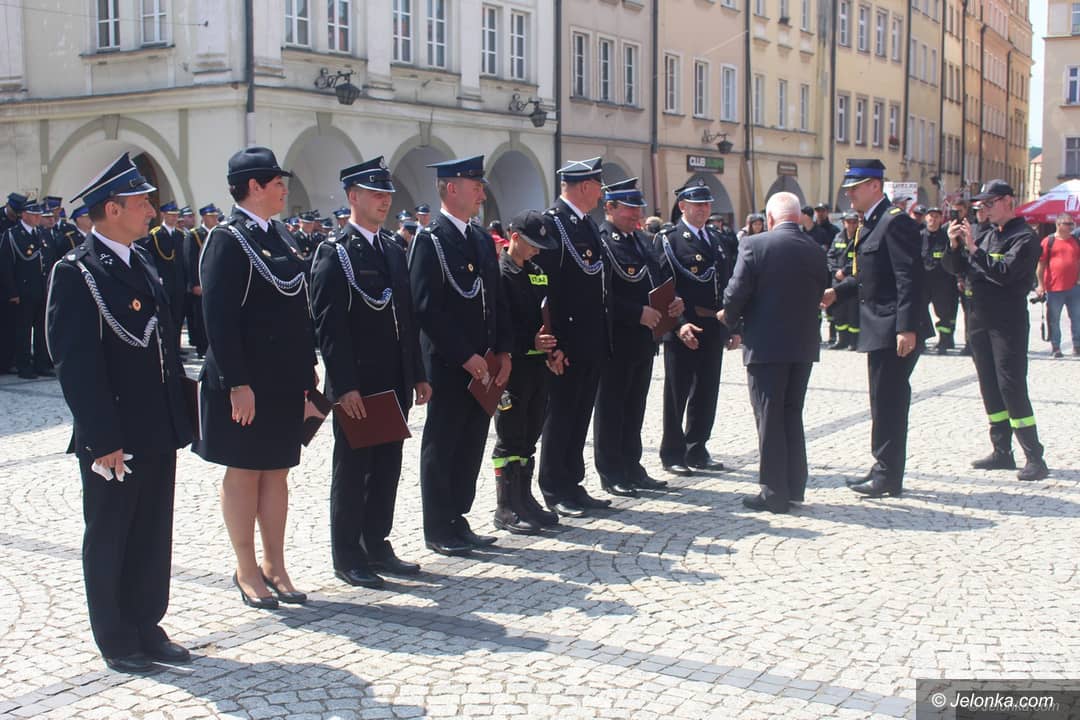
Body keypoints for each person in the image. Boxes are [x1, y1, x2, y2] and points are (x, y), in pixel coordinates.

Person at [46, 152, 193, 674]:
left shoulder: (143, 261)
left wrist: (180, 417)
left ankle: (147, 623)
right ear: (112, 208)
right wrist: (101, 437)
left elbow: (164, 349)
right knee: (112, 533)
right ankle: (116, 636)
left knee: (152, 531)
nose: (151, 210)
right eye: (141, 202)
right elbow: (75, 363)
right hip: (115, 433)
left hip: (156, 426)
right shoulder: (77, 271)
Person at [194, 146, 317, 608]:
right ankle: (246, 568)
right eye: (277, 182)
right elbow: (219, 318)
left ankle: (275, 565)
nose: (284, 189)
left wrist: (306, 377)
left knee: (277, 473)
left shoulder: (282, 236)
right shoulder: (226, 239)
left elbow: (298, 313)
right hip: (245, 381)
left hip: (283, 380)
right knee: (245, 472)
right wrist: (237, 383)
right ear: (254, 187)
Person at [310, 157, 430, 586]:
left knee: (386, 466)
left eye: (387, 194)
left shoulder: (393, 249)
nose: (384, 201)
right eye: (375, 194)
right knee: (353, 468)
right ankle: (348, 554)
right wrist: (344, 386)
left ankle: (376, 542)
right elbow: (330, 326)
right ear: (353, 197)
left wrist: (417, 373)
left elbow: (407, 318)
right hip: (359, 381)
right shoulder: (336, 252)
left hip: (393, 379)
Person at [409, 155, 512, 556]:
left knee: (471, 442)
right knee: (444, 443)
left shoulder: (481, 239)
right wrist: (465, 355)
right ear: (452, 188)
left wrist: (503, 350)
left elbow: (496, 300)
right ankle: (438, 525)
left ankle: (458, 517)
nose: (482, 194)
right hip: (450, 364)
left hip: (484, 363)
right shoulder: (430, 240)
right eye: (475, 186)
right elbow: (426, 307)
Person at [821, 159, 931, 498]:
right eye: (848, 189)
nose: (849, 195)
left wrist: (907, 328)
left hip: (893, 327)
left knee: (890, 400)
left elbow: (908, 278)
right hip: (879, 326)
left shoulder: (894, 222)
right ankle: (883, 465)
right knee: (881, 399)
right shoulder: (872, 223)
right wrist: (836, 292)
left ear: (874, 186)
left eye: (855, 188)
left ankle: (888, 475)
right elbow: (866, 276)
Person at [720, 192, 830, 513]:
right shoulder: (814, 248)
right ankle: (794, 487)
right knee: (791, 414)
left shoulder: (754, 245)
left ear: (769, 219)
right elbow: (819, 290)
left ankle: (773, 492)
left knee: (769, 417)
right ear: (797, 217)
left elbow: (736, 291)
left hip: (766, 346)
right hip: (803, 345)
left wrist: (729, 317)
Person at [943, 180, 1049, 481]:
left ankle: (1034, 456)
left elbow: (1005, 273)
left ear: (1008, 202)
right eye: (982, 204)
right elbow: (955, 268)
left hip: (1007, 321)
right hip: (979, 317)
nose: (984, 209)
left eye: (990, 203)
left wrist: (974, 249)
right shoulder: (986, 233)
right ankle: (1002, 450)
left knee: (1010, 385)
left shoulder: (1024, 237)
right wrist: (954, 245)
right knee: (988, 384)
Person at [534, 157, 615, 518]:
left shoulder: (585, 224)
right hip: (567, 342)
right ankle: (554, 487)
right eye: (598, 186)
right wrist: (556, 343)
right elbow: (547, 291)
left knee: (580, 415)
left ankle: (573, 482)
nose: (601, 193)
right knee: (561, 416)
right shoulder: (553, 224)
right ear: (584, 186)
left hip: (591, 338)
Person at [594, 178, 681, 498]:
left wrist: (674, 303)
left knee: (635, 407)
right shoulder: (603, 241)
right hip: (617, 339)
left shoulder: (643, 240)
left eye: (638, 209)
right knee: (612, 407)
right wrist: (636, 313)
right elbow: (601, 296)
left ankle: (632, 465)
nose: (636, 215)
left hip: (645, 339)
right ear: (610, 208)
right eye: (629, 209)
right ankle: (611, 471)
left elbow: (657, 280)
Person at [655, 181, 739, 475]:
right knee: (677, 392)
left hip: (714, 324)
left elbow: (728, 284)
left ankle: (697, 447)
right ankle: (672, 453)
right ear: (682, 207)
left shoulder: (716, 238)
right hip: (685, 325)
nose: (704, 209)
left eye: (707, 204)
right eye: (697, 204)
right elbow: (664, 288)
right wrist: (678, 325)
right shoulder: (670, 240)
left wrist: (734, 326)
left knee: (707, 389)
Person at [489, 210, 561, 534]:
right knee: (510, 436)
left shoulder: (537, 272)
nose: (536, 251)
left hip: (536, 366)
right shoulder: (500, 273)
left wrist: (553, 347)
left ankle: (525, 499)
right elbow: (498, 324)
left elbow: (546, 312)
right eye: (532, 244)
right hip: (512, 367)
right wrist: (527, 341)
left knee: (531, 434)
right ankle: (506, 506)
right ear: (514, 237)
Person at [1, 202, 54, 378]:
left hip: (42, 289)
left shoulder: (42, 233)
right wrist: (12, 292)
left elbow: (49, 260)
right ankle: (23, 365)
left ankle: (41, 363)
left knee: (41, 329)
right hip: (23, 291)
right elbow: (6, 266)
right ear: (23, 215)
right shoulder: (13, 235)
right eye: (34, 214)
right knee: (23, 331)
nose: (38, 217)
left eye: (39, 214)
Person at [144, 202, 187, 355]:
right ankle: (168, 349)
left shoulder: (180, 235)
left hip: (179, 283)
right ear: (163, 215)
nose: (174, 218)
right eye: (171, 215)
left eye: (176, 215)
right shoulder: (156, 235)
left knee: (178, 316)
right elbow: (150, 259)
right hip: (164, 282)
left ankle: (177, 348)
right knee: (166, 318)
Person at [1035, 214, 1080, 357]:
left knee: (1077, 318)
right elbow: (1041, 265)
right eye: (1068, 224)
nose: (1071, 227)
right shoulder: (1048, 241)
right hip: (1054, 288)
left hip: (1074, 287)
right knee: (1054, 319)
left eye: (1072, 224)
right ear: (1059, 225)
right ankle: (1056, 347)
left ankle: (1077, 346)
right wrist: (1040, 285)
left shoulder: (1076, 241)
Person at [184, 204, 219, 358]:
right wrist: (195, 283)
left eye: (216, 216)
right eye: (212, 216)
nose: (215, 219)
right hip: (201, 283)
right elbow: (190, 261)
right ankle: (202, 347)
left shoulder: (217, 233)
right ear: (204, 217)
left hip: (214, 281)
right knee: (200, 316)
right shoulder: (195, 235)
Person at [922, 207, 958, 354]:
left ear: (941, 219)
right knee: (921, 312)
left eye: (936, 216)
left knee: (944, 314)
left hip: (942, 283)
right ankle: (921, 341)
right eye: (931, 216)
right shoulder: (919, 236)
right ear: (926, 218)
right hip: (923, 282)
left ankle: (944, 341)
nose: (933, 219)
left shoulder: (945, 237)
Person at [826, 211, 860, 349]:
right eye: (848, 222)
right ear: (844, 223)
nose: (851, 225)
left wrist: (845, 271)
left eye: (854, 222)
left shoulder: (860, 237)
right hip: (837, 279)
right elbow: (830, 256)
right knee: (839, 312)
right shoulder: (838, 237)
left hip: (852, 279)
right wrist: (836, 271)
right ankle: (842, 340)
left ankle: (854, 342)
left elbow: (859, 258)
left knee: (853, 312)